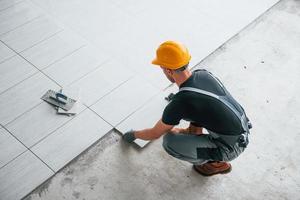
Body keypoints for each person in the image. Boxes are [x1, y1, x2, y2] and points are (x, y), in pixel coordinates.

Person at [123, 41, 252, 176]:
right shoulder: (203, 74)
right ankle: (193, 132)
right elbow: (202, 102)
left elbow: (154, 134)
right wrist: (178, 102)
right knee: (195, 108)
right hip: (242, 128)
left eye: (162, 68)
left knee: (170, 142)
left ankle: (215, 164)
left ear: (168, 70)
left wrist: (133, 134)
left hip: (230, 147)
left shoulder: (182, 102)